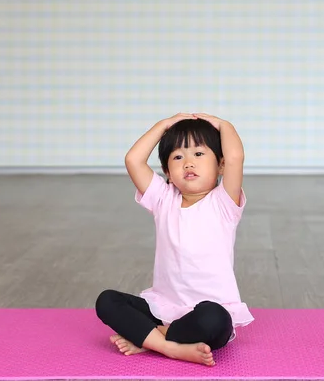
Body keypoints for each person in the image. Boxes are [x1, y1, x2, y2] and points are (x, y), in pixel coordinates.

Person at [95, 112, 254, 366]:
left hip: (204, 314)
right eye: (178, 157)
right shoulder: (163, 199)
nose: (188, 163)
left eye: (199, 154)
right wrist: (164, 125)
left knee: (215, 319)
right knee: (107, 301)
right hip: (162, 310)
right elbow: (133, 160)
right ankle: (170, 348)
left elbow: (236, 156)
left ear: (220, 165)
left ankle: (150, 339)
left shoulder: (223, 203)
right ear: (168, 172)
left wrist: (224, 125)